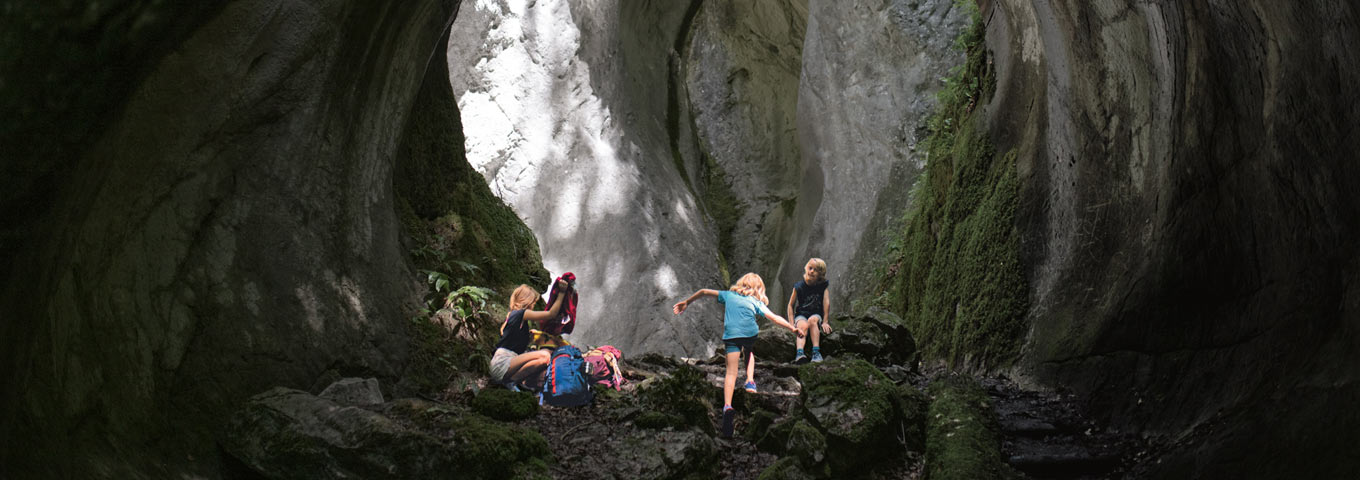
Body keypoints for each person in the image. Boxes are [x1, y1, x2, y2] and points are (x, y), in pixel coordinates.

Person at [673, 272, 799, 438]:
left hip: (732, 334)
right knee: (749, 349)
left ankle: (727, 406)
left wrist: (686, 302)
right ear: (758, 289)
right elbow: (774, 318)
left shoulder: (728, 295)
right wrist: (792, 328)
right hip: (749, 332)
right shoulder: (755, 301)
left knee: (731, 372)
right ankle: (750, 382)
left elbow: (703, 291)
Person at [488, 280, 571, 391]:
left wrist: (527, 338)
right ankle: (510, 382)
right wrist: (562, 293)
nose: (533, 305)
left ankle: (513, 382)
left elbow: (509, 340)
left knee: (545, 358)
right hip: (502, 363)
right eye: (532, 302)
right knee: (545, 355)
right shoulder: (521, 313)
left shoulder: (512, 317)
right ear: (526, 301)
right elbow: (551, 314)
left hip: (505, 363)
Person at [787, 258, 832, 364]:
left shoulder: (823, 286)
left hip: (816, 313)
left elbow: (826, 303)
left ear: (820, 274)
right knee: (802, 326)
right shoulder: (798, 286)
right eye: (810, 268)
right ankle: (800, 353)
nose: (811, 271)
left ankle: (816, 352)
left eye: (815, 270)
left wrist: (825, 321)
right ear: (806, 268)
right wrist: (791, 323)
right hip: (801, 314)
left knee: (812, 321)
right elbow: (790, 305)